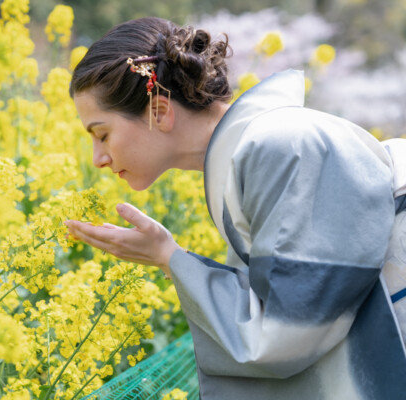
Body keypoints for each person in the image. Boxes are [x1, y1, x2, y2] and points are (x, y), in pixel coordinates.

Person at [63, 17, 406, 400]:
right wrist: (166, 255)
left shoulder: (280, 148)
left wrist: (169, 256)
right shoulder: (253, 156)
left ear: (159, 112)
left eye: (102, 134)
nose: (97, 159)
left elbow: (288, 333)